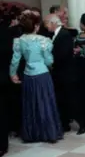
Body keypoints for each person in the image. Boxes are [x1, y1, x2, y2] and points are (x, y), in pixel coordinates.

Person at [9, 13, 63, 143]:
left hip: (28, 75)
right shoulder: (44, 41)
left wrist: (13, 74)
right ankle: (49, 133)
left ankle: (32, 133)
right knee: (45, 103)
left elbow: (15, 60)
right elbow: (48, 60)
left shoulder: (19, 41)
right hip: (42, 74)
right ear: (36, 26)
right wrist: (50, 64)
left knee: (31, 104)